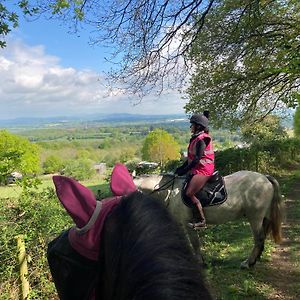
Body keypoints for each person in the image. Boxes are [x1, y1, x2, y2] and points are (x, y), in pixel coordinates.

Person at [175, 111, 214, 229]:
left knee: (189, 193)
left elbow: (197, 159)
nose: (190, 127)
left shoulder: (202, 139)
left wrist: (185, 169)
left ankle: (202, 221)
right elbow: (190, 158)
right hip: (198, 168)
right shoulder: (195, 138)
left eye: (192, 124)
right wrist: (180, 168)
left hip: (204, 169)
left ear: (198, 126)